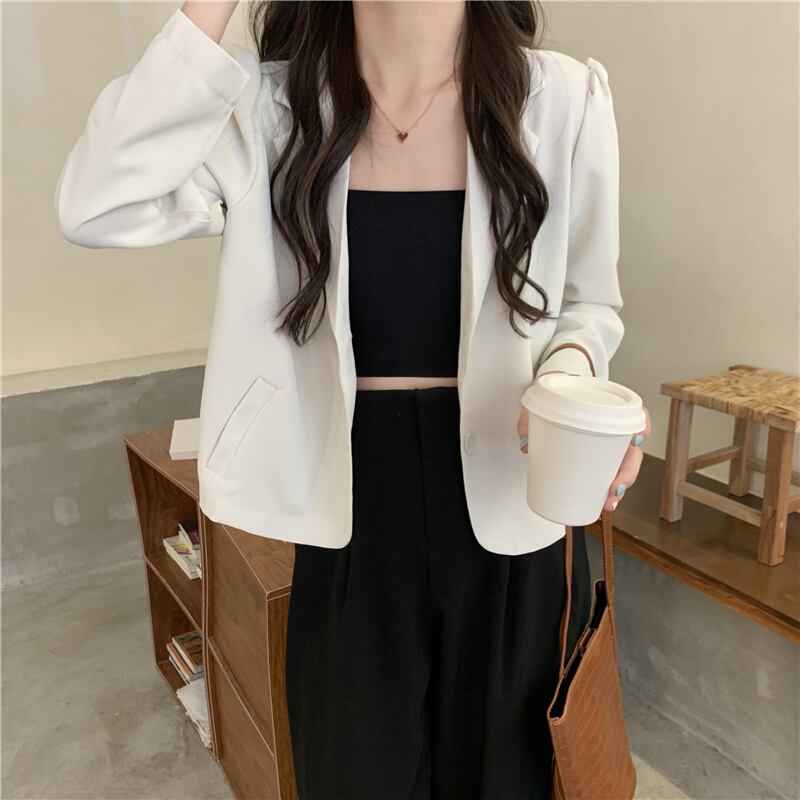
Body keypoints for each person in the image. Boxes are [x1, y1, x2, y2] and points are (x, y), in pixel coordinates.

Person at [55, 1, 651, 798]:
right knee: (352, 773)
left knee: (511, 779)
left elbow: (588, 304)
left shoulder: (563, 99)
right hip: (348, 507)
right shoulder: (267, 110)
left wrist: (570, 385)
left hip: (514, 493)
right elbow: (95, 203)